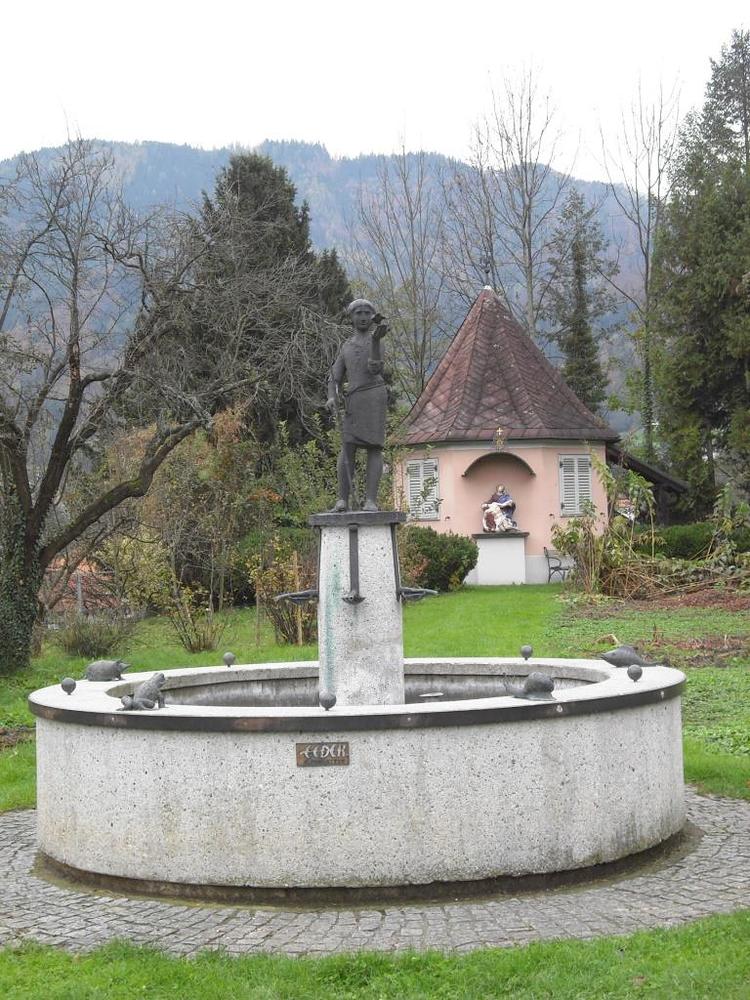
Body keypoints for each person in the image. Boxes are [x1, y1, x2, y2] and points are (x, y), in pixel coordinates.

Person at [326, 299, 388, 511]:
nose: (362, 317)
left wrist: (376, 342)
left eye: (367, 313)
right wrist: (332, 396)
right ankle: (342, 499)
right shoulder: (346, 346)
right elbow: (334, 377)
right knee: (347, 447)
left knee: (374, 447)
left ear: (372, 317)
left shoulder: (377, 340)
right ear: (351, 318)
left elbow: (375, 369)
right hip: (354, 400)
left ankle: (370, 500)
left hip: (374, 397)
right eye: (358, 313)